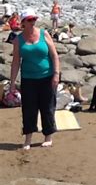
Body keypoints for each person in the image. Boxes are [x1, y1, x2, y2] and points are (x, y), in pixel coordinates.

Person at [9, 8, 60, 150]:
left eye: (34, 19)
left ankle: (48, 136)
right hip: (28, 78)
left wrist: (56, 74)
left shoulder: (44, 34)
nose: (32, 22)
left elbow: (54, 55)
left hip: (47, 76)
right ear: (23, 22)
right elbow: (15, 62)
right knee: (29, 109)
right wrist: (12, 83)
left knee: (48, 107)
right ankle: (28, 138)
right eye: (29, 20)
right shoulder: (18, 40)